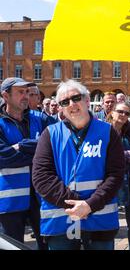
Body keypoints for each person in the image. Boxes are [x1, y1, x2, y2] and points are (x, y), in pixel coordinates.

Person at [32, 80, 125, 250]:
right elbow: (41, 177)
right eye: (65, 102)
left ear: (87, 100)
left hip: (99, 220)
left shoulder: (107, 132)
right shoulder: (50, 134)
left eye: (76, 98)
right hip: (60, 222)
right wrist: (76, 205)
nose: (72, 105)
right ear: (60, 107)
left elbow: (116, 174)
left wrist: (90, 205)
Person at [0, 77, 55, 249]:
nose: (26, 96)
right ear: (5, 96)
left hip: (42, 196)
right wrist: (39, 151)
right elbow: (3, 157)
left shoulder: (41, 119)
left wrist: (21, 146)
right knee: (13, 246)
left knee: (47, 244)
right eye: (20, 92)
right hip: (10, 201)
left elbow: (57, 144)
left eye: (27, 92)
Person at [107, 102, 130, 250]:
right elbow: (104, 155)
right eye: (121, 112)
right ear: (112, 112)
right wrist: (129, 153)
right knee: (110, 223)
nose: (124, 116)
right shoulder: (103, 130)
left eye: (127, 113)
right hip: (110, 181)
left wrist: (118, 155)